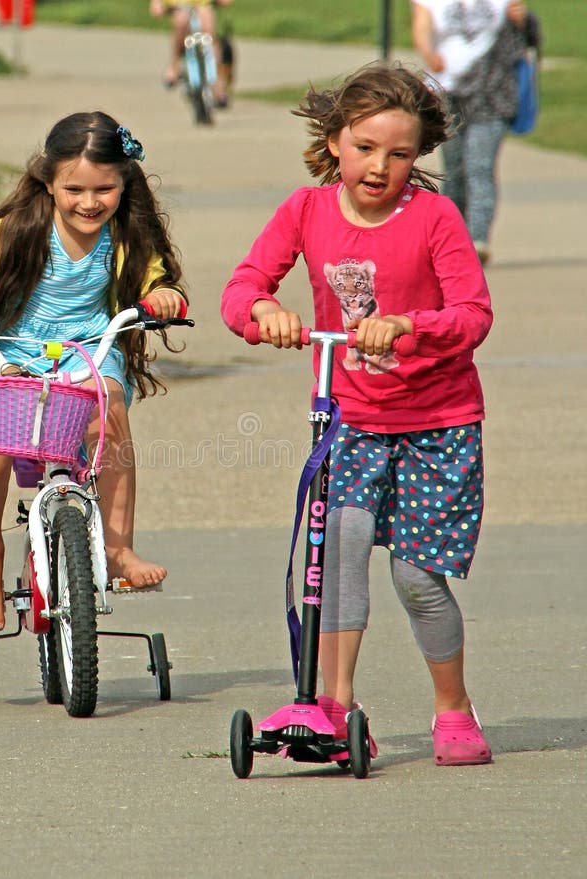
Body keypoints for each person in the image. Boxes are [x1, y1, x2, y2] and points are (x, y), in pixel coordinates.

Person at [221, 63, 494, 766]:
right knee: (334, 557)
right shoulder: (306, 211)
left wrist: (409, 326)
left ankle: (453, 707)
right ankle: (332, 707)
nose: (380, 166)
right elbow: (244, 285)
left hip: (439, 424)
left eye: (399, 154)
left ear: (418, 154)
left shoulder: (435, 217)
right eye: (366, 147)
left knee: (414, 575)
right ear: (336, 140)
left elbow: (472, 314)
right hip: (354, 421)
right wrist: (265, 311)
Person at [0, 112, 187, 632]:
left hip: (86, 349)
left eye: (104, 189)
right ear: (49, 182)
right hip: (6, 351)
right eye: (74, 188)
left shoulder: (125, 237)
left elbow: (153, 279)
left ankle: (120, 546)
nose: (89, 202)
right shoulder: (18, 232)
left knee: (108, 410)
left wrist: (161, 295)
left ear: (124, 183)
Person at [411, 0, 533, 264]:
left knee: (480, 165)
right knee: (454, 170)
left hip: (493, 93)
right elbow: (421, 28)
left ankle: (478, 239)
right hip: (446, 93)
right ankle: (449, 240)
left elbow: (525, 35)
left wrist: (521, 20)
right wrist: (428, 52)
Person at [149, 0, 234, 107]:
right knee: (181, 22)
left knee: (208, 29)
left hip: (203, 4)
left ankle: (216, 83)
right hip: (179, 4)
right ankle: (174, 65)